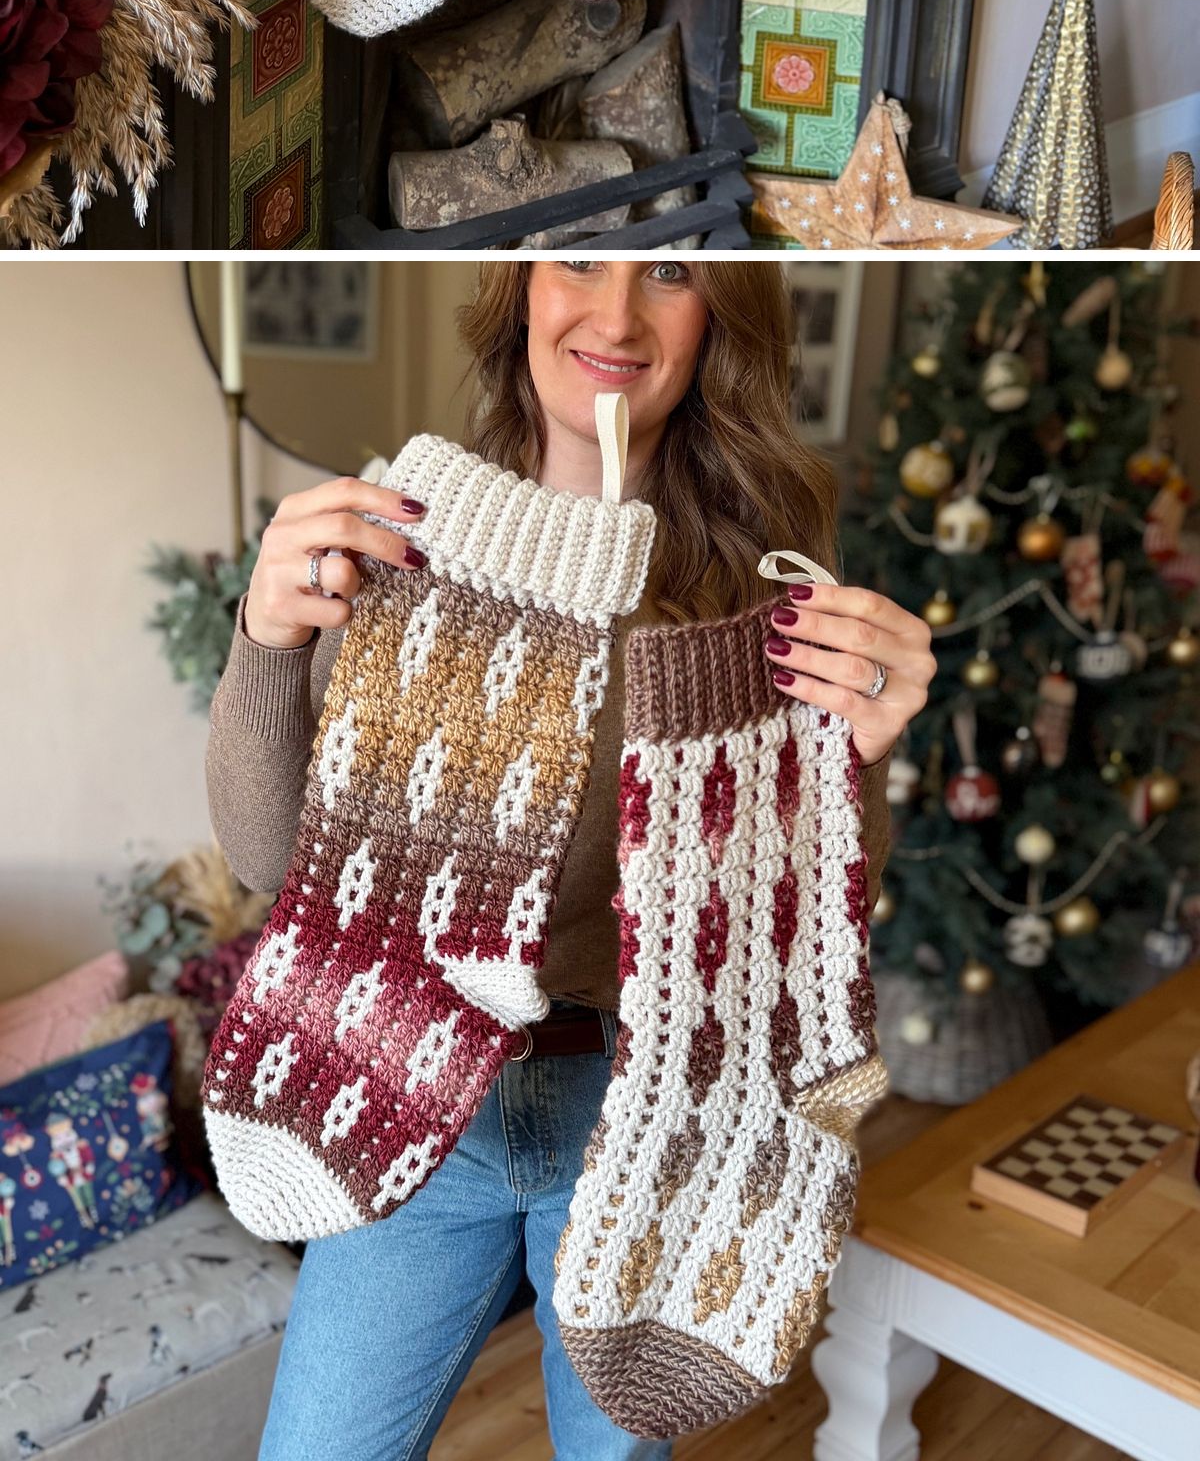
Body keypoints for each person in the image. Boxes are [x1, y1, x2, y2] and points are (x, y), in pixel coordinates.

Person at [207, 259, 936, 1461]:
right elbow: (270, 860)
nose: (615, 314)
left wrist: (858, 755)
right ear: (521, 289)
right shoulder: (414, 543)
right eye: (580, 260)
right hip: (403, 1070)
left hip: (647, 1112)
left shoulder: (759, 592)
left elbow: (811, 926)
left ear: (720, 317)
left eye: (672, 272)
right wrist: (268, 636)